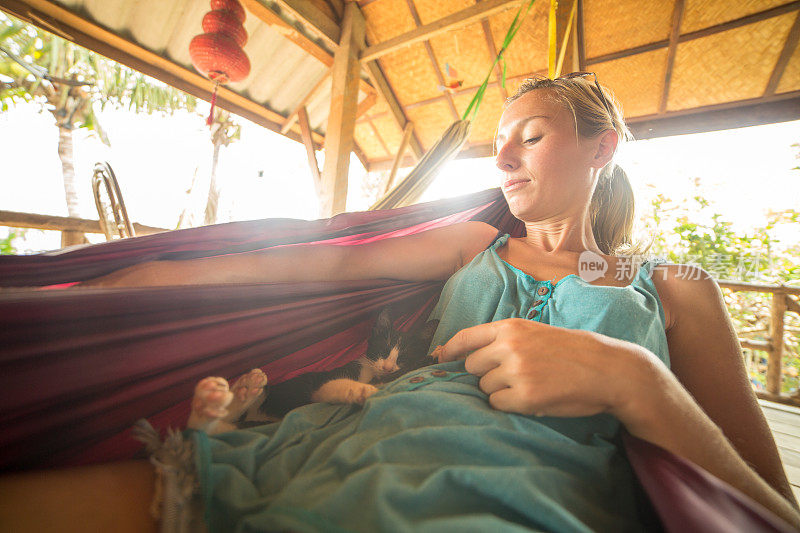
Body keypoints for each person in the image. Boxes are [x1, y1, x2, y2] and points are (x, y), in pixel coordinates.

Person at [1, 73, 798, 532]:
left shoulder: (676, 288)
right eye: (499, 139)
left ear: (603, 147)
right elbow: (299, 266)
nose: (504, 155)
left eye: (531, 134)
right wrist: (121, 287)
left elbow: (769, 509)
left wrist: (636, 382)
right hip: (337, 445)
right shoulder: (471, 244)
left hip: (527, 497)